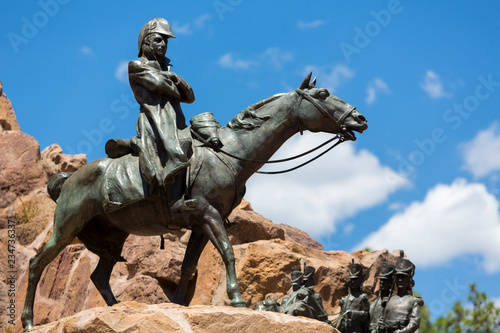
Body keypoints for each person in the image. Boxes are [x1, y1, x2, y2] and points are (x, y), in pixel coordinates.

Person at [379, 251, 421, 333]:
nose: (400, 280)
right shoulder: (390, 300)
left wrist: (402, 332)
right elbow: (384, 320)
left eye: (403, 277)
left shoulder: (413, 301)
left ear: (409, 280)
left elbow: (415, 323)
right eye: (398, 278)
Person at [337, 260, 370, 333]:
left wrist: (353, 313)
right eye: (351, 279)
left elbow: (365, 315)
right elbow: (340, 316)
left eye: (355, 280)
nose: (352, 282)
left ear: (360, 281)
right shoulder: (345, 298)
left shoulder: (362, 297)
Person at [369, 259, 395, 333]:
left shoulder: (393, 302)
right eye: (381, 281)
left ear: (390, 284)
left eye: (384, 281)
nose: (381, 283)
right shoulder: (374, 303)